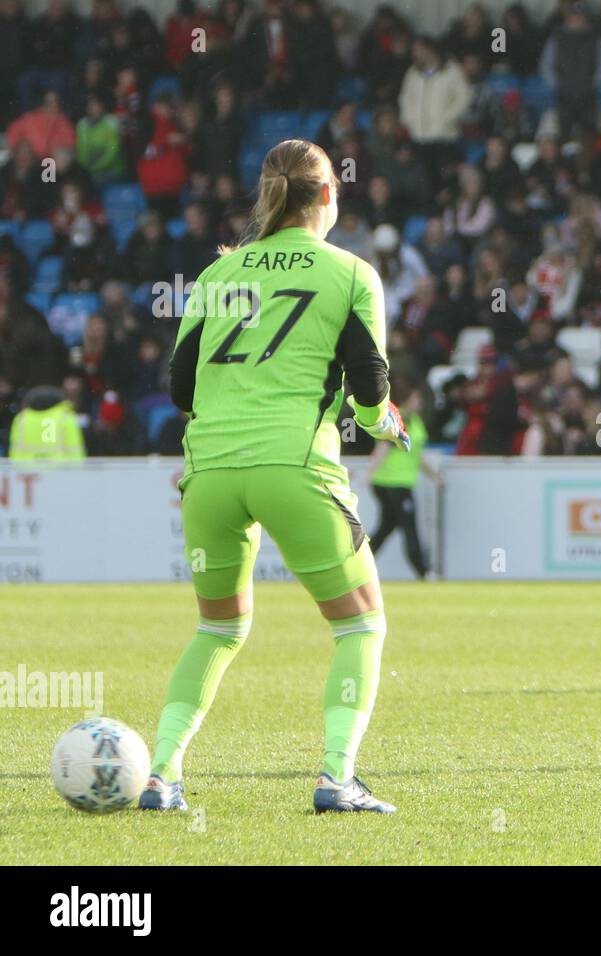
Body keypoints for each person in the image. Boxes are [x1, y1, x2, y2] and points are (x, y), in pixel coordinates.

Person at [144, 139, 411, 814]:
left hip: (208, 474)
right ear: (327, 195)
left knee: (217, 631)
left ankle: (161, 775)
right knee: (360, 627)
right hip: (295, 468)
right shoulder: (351, 273)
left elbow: (181, 387)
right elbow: (369, 389)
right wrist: (388, 428)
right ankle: (335, 778)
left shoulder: (216, 276)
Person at [368, 385, 437, 579]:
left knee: (386, 527)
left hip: (399, 482)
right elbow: (383, 447)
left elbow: (415, 453)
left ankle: (358, 566)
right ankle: (423, 572)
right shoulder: (399, 418)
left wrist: (434, 476)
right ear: (407, 399)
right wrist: (369, 473)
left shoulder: (415, 421)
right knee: (409, 527)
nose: (420, 403)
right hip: (392, 483)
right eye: (416, 398)